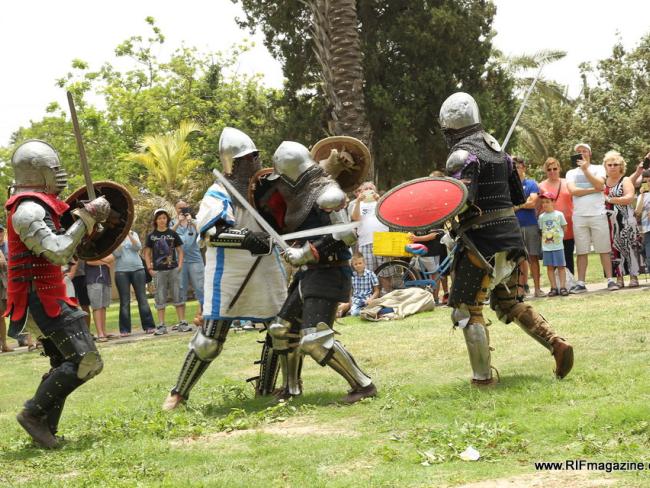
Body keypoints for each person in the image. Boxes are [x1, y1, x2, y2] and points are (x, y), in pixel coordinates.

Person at [439, 92, 573, 385]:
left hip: (480, 242)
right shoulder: (500, 153)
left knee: (466, 309)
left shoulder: (461, 155)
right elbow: (516, 197)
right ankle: (556, 343)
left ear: (449, 126)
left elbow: (461, 199)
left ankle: (482, 378)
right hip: (511, 238)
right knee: (508, 302)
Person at [162, 127, 288, 410]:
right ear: (233, 162)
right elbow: (211, 233)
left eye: (255, 156)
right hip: (228, 273)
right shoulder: (219, 192)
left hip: (266, 269)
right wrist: (248, 238)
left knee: (279, 331)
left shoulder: (267, 189)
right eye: (246, 158)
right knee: (210, 340)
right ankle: (178, 395)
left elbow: (290, 215)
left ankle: (265, 391)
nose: (253, 162)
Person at [5, 140, 109, 448]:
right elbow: (59, 252)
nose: (60, 176)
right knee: (86, 360)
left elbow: (69, 241)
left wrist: (91, 226)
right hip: (41, 296)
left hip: (49, 292)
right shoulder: (27, 210)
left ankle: (44, 431)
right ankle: (32, 415)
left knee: (63, 362)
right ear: (39, 172)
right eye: (54, 170)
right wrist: (86, 218)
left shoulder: (41, 205)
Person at [267, 140, 377, 403]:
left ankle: (364, 385)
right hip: (308, 274)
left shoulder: (329, 194)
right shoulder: (300, 194)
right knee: (281, 330)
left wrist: (305, 253)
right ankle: (291, 388)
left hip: (329, 271)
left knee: (315, 339)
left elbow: (346, 235)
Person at [566, 143, 618, 292]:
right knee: (581, 251)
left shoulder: (599, 168)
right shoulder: (570, 173)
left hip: (597, 214)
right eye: (579, 152)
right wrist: (593, 189)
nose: (582, 154)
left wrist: (586, 171)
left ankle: (610, 280)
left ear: (589, 153)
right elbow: (573, 191)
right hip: (579, 216)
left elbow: (601, 184)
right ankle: (581, 283)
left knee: (604, 249)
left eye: (584, 151)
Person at [603, 150, 642, 288]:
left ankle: (633, 276)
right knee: (614, 250)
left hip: (625, 220)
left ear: (621, 166)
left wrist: (610, 199)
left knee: (629, 247)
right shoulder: (602, 182)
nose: (612, 167)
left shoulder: (625, 180)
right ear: (605, 166)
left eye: (615, 164)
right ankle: (619, 277)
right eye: (610, 164)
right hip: (609, 222)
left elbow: (629, 198)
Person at [144, 208, 185, 335]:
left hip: (173, 269)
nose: (162, 220)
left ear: (167, 219)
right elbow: (147, 253)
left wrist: (179, 265)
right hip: (158, 271)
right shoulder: (151, 236)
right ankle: (161, 325)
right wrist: (149, 268)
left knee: (177, 295)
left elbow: (180, 251)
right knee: (160, 297)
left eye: (164, 218)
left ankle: (182, 323)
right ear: (156, 221)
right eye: (159, 218)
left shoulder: (172, 234)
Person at [113, 230, 156, 336]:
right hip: (121, 271)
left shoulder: (133, 233)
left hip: (138, 270)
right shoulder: (114, 237)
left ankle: (149, 326)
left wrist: (128, 234)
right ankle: (125, 329)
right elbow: (117, 254)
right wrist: (120, 239)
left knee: (142, 298)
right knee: (124, 301)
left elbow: (137, 247)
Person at [513, 157, 544, 297]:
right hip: (514, 226)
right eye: (513, 168)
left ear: (524, 168)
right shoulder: (509, 186)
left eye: (518, 167)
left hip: (530, 224)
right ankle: (520, 290)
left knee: (533, 257)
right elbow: (508, 207)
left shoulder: (531, 184)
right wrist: (522, 205)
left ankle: (537, 289)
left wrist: (517, 206)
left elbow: (532, 203)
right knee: (518, 259)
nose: (516, 170)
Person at [538, 157, 575, 275]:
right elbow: (538, 206)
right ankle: (555, 285)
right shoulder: (541, 186)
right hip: (550, 230)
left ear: (559, 168)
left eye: (555, 168)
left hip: (567, 226)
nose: (552, 171)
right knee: (552, 259)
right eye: (549, 169)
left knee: (568, 256)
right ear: (546, 171)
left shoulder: (567, 182)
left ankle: (569, 283)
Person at [172, 200, 204, 327]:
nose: (182, 210)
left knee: (200, 288)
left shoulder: (195, 221)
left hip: (195, 260)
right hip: (180, 261)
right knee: (180, 290)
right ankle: (182, 321)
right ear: (176, 210)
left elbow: (202, 232)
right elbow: (169, 236)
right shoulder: (173, 223)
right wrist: (179, 222)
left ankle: (203, 316)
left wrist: (191, 221)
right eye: (180, 208)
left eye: (184, 208)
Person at [350, 182, 388, 272]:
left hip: (382, 241)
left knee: (385, 274)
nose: (368, 190)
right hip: (365, 242)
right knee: (368, 274)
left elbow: (388, 215)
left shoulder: (381, 201)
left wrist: (379, 200)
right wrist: (358, 201)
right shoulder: (357, 204)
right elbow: (355, 218)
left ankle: (386, 287)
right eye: (365, 189)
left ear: (375, 191)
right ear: (361, 192)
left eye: (371, 188)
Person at [538, 192, 569, 296]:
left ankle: (563, 287)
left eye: (547, 202)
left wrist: (558, 238)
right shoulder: (541, 217)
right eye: (543, 202)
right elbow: (541, 230)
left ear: (553, 202)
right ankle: (553, 288)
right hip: (547, 247)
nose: (545, 204)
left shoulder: (559, 215)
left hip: (558, 246)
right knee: (550, 267)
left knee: (561, 267)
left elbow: (564, 227)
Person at [408, 229, 449, 304]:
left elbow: (433, 235)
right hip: (419, 251)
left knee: (435, 275)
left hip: (431, 252)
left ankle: (435, 299)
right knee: (413, 270)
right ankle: (428, 295)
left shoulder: (432, 219)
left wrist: (416, 238)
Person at [85, 255, 114, 342]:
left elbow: (112, 258)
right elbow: (89, 261)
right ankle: (100, 334)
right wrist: (105, 262)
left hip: (105, 279)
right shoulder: (88, 248)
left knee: (103, 306)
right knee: (97, 307)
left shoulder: (105, 247)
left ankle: (104, 332)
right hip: (93, 280)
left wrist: (99, 259)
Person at [634, 170, 650, 273]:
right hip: (647, 229)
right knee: (646, 253)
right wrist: (643, 195)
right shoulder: (641, 196)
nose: (648, 181)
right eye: (646, 179)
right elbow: (638, 212)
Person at [0, 232, 13, 352]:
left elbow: (3, 263)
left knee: (1, 316)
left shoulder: (7, 246)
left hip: (3, 286)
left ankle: (4, 344)